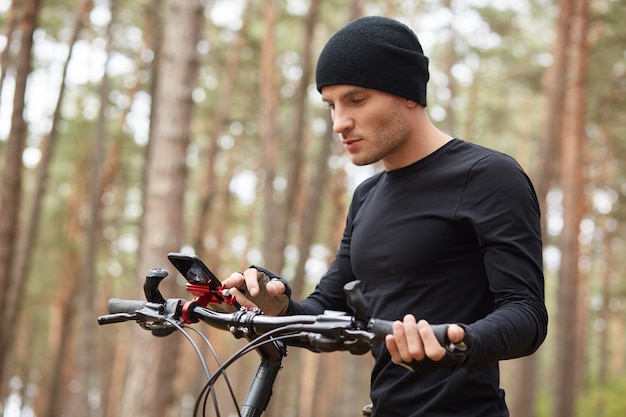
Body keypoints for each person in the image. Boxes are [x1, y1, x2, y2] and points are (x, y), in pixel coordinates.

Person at [222, 15, 548, 417]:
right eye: (331, 105)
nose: (339, 122)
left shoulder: (488, 176)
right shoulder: (366, 196)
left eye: (356, 100)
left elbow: (526, 314)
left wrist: (458, 342)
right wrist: (274, 306)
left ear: (407, 93)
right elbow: (329, 309)